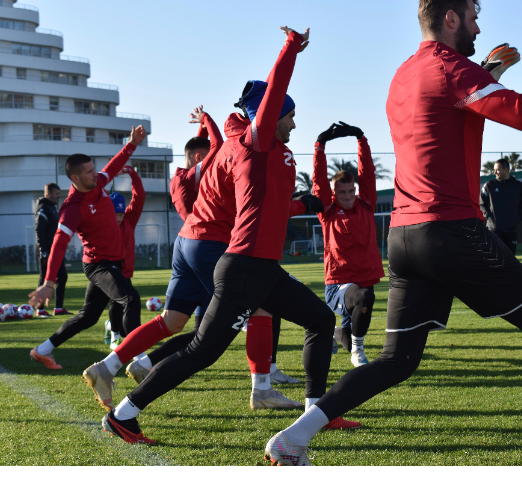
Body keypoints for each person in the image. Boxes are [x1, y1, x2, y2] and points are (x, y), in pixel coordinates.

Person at [265, 1, 522, 467]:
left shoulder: (404, 73)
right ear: (450, 19)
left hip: (404, 235)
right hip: (448, 229)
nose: (478, 26)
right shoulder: (452, 68)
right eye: (472, 17)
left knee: (397, 361)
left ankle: (294, 438)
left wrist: (487, 71)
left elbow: (446, 118)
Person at [100, 27, 360, 445]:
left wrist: (298, 203)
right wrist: (291, 48)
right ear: (270, 115)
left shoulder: (265, 149)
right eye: (288, 114)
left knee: (320, 318)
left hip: (260, 268)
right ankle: (123, 415)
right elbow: (273, 93)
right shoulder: (255, 145)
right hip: (242, 267)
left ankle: (316, 414)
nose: (293, 121)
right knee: (202, 351)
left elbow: (270, 202)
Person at [80, 106, 223, 410]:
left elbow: (201, 151)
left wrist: (200, 128)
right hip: (204, 245)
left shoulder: (186, 172)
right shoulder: (191, 175)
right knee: (246, 312)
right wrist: (208, 121)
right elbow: (216, 150)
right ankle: (263, 382)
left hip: (187, 247)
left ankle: (108, 367)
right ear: (200, 160)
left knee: (171, 322)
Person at [27, 125, 147, 373]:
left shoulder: (98, 184)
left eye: (94, 169)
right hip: (98, 264)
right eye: (90, 171)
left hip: (114, 263)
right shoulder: (72, 208)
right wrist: (49, 283)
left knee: (88, 317)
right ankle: (139, 360)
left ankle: (43, 350)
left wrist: (132, 143)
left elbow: (113, 165)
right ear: (75, 178)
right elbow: (59, 243)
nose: (97, 174)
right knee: (131, 298)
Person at [313, 122, 385, 367]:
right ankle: (359, 352)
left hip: (364, 277)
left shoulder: (365, 205)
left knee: (349, 331)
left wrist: (361, 138)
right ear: (334, 193)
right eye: (341, 192)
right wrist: (319, 145)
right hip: (339, 284)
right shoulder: (327, 211)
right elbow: (319, 180)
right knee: (364, 298)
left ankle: (341, 335)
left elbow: (368, 174)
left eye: (350, 191)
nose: (347, 195)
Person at [103, 165, 146, 350]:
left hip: (127, 269)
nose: (119, 218)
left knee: (124, 302)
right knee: (116, 301)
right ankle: (115, 336)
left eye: (121, 214)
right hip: (110, 268)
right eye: (115, 214)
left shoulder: (130, 219)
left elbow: (139, 196)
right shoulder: (103, 223)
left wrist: (132, 173)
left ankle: (112, 328)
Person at [479, 157, 522, 254]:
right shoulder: (489, 185)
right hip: (494, 230)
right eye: (494, 170)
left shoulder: (518, 186)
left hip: (511, 230)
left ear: (506, 170)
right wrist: (489, 218)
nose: (495, 172)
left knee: (511, 260)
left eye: (497, 170)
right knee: (495, 258)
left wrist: (517, 219)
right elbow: (481, 203)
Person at [34, 183, 69, 317]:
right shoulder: (43, 208)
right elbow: (39, 229)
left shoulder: (53, 208)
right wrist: (42, 248)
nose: (58, 197)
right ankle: (40, 310)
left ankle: (58, 308)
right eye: (56, 194)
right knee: (44, 278)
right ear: (48, 194)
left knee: (62, 276)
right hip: (46, 248)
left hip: (55, 249)